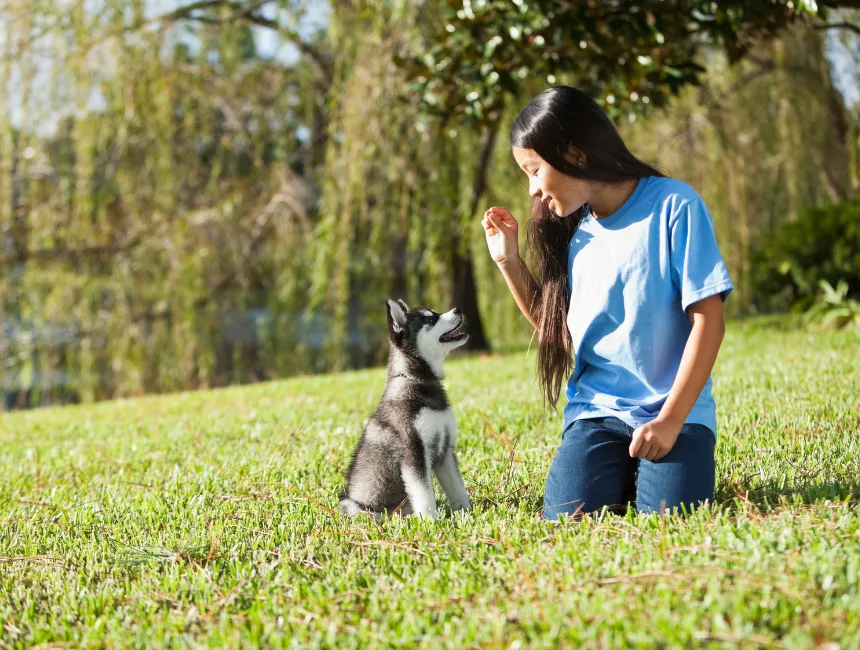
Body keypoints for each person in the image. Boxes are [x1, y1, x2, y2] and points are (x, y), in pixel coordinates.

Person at [481, 86, 733, 520]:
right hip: (598, 414)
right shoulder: (573, 228)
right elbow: (555, 330)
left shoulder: (675, 204)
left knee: (671, 523)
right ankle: (621, 469)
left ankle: (645, 470)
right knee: (566, 519)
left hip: (676, 412)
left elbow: (709, 322)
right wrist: (509, 261)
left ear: (575, 155)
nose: (531, 190)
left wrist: (670, 421)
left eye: (535, 171)